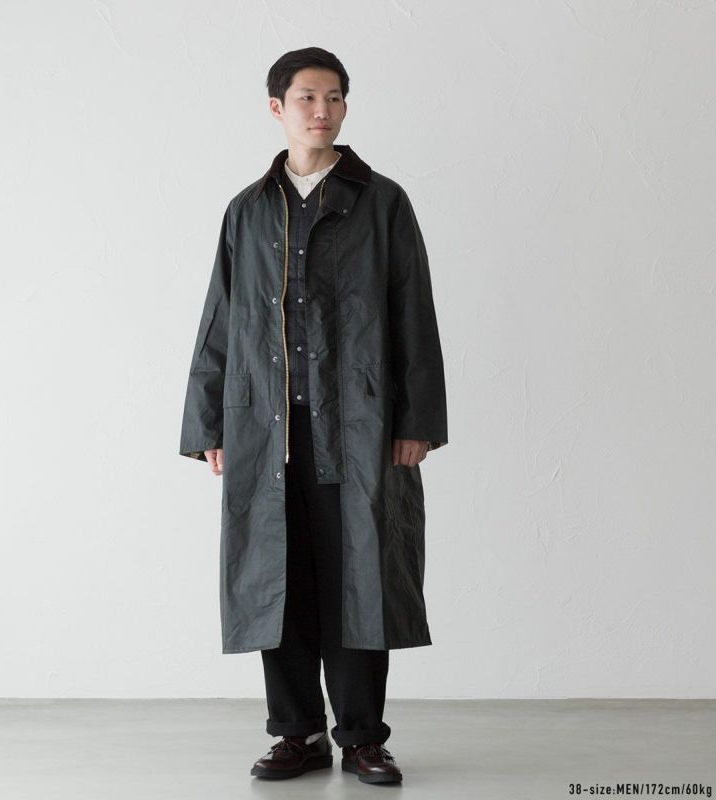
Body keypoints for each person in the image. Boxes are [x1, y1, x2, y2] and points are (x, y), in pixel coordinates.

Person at [179, 47, 448, 785]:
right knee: (278, 581)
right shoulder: (248, 209)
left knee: (360, 576)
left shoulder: (382, 202)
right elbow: (221, 319)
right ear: (278, 108)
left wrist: (416, 420)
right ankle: (295, 734)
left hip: (359, 427)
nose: (321, 110)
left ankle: (361, 736)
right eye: (306, 97)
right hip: (266, 429)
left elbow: (413, 313)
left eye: (334, 97)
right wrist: (208, 426)